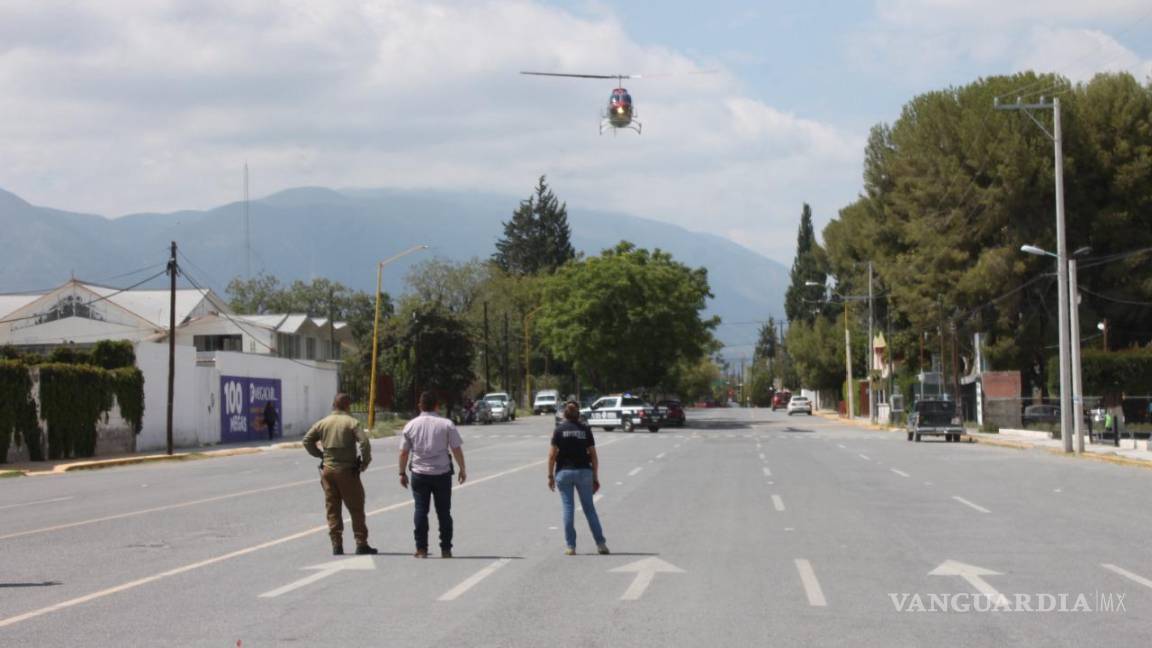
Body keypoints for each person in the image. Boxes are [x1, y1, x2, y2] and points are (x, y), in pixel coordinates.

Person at [302, 393, 377, 556]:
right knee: (356, 508)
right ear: (347, 406)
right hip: (347, 471)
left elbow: (307, 440)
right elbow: (364, 442)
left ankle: (337, 545)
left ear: (333, 405)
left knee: (332, 508)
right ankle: (361, 543)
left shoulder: (323, 422)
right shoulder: (351, 422)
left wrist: (320, 455)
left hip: (328, 471)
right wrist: (364, 463)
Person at [399, 391, 466, 558]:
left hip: (419, 474)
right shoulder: (446, 424)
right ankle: (446, 549)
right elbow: (456, 448)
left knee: (421, 510)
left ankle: (421, 549)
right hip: (442, 473)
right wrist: (462, 468)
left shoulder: (411, 425)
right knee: (444, 512)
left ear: (420, 406)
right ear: (437, 406)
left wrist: (401, 472)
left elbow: (403, 453)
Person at [548, 401, 609, 556]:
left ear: (564, 414)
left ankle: (571, 546)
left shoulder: (559, 430)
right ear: (578, 414)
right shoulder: (586, 430)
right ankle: (601, 544)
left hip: (564, 473)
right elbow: (594, 456)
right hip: (584, 472)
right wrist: (595, 476)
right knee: (589, 509)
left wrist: (550, 476)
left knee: (568, 509)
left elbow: (552, 456)